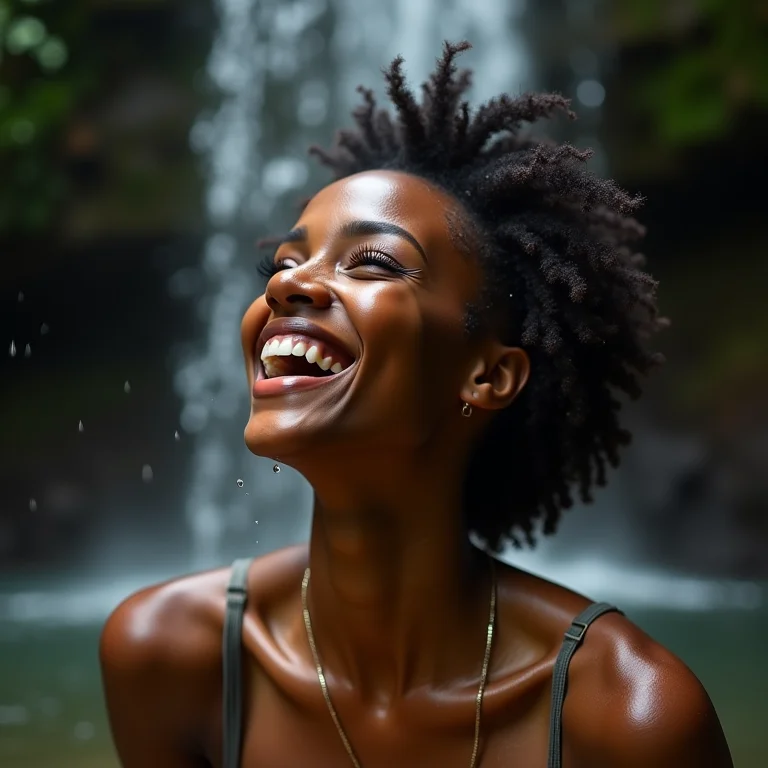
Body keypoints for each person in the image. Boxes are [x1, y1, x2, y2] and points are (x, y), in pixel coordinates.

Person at [99, 42, 734, 767]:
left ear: (488, 376)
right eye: (282, 263)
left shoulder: (629, 718)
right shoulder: (169, 657)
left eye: (372, 262)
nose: (284, 287)